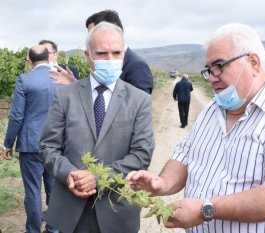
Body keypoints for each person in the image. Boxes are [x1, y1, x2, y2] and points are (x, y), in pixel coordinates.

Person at [127, 23, 265, 233]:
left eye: (219, 66)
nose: (212, 77)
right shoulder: (213, 110)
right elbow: (185, 154)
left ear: (253, 62)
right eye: (208, 70)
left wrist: (206, 209)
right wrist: (162, 183)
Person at [39, 22, 154, 233]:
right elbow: (48, 147)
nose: (110, 60)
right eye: (102, 53)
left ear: (124, 54)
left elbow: (141, 154)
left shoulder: (139, 100)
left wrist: (98, 179)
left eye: (117, 52)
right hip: (69, 211)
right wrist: (70, 175)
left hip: (117, 212)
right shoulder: (65, 96)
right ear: (88, 55)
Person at [2, 45, 58, 233]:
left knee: (33, 191)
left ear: (30, 59)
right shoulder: (59, 78)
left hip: (30, 144)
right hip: (56, 144)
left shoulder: (25, 80)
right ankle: (53, 228)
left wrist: (8, 143)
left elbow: (17, 116)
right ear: (48, 58)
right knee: (55, 189)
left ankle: (33, 230)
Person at [50, 9, 154, 94]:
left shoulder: (137, 66)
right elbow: (99, 96)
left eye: (93, 32)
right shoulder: (97, 61)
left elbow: (136, 107)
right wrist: (75, 84)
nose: (89, 38)